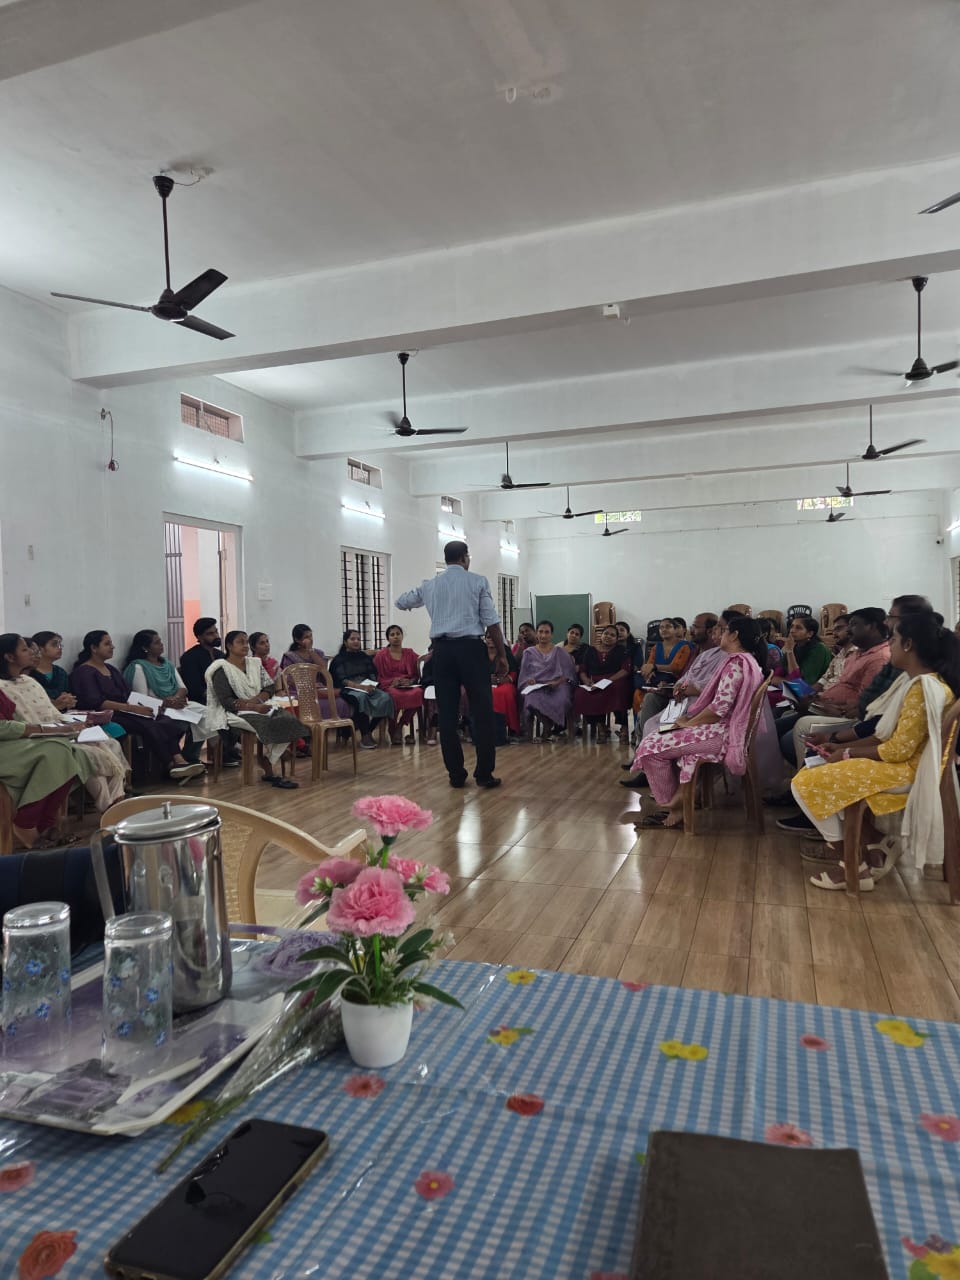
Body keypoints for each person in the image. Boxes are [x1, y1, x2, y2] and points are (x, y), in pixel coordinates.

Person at [791, 613, 959, 891]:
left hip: (909, 771)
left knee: (804, 783)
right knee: (816, 769)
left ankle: (853, 866)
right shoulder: (920, 681)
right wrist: (841, 747)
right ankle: (876, 842)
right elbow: (886, 733)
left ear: (908, 645)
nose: (889, 645)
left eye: (893, 640)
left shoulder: (923, 687)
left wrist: (847, 755)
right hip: (908, 764)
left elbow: (898, 750)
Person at [628, 615, 768, 828]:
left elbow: (718, 710)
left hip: (722, 734)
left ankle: (672, 806)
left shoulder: (736, 664)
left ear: (735, 635)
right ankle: (679, 804)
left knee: (650, 747)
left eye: (725, 630)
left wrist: (689, 723)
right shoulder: (747, 660)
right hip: (726, 730)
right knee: (659, 734)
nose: (720, 634)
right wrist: (689, 720)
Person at [395, 540, 507, 789]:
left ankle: (456, 775)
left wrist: (425, 600)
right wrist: (501, 655)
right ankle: (484, 774)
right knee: (482, 712)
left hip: (442, 652)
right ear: (465, 558)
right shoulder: (478, 581)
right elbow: (491, 621)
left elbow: (401, 602)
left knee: (446, 714)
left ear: (446, 560)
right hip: (471, 650)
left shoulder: (430, 585)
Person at [0, 635, 126, 812]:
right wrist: (62, 728)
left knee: (108, 743)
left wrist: (76, 724)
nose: (31, 653)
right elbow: (19, 723)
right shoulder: (3, 687)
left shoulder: (29, 681)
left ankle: (117, 799)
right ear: (9, 657)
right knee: (86, 753)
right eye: (25, 649)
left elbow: (52, 713)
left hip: (57, 728)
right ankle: (107, 805)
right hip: (36, 737)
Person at [70, 630, 204, 781]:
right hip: (108, 714)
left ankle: (179, 760)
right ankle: (170, 764)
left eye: (111, 643)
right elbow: (97, 702)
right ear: (94, 648)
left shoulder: (111, 669)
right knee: (148, 724)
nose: (112, 647)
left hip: (126, 710)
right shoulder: (84, 672)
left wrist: (149, 706)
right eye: (107, 644)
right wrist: (132, 708)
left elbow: (128, 695)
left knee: (163, 719)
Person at [621, 612, 722, 786]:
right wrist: (659, 679)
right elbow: (686, 676)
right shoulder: (698, 651)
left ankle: (655, 770)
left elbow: (686, 674)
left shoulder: (691, 648)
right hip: (674, 692)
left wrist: (675, 685)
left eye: (695, 627)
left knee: (654, 719)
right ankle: (646, 764)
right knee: (648, 700)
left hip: (692, 702)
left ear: (710, 630)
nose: (691, 630)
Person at [782, 608, 891, 766]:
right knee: (784, 716)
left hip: (845, 715)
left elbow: (863, 706)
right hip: (825, 704)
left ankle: (805, 773)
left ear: (872, 627)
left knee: (795, 732)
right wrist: (812, 697)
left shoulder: (878, 658)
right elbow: (824, 681)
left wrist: (823, 704)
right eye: (791, 627)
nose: (792, 631)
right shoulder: (856, 654)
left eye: (853, 625)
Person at [205, 631, 303, 786]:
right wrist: (253, 707)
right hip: (233, 711)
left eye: (246, 642)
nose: (245, 645)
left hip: (258, 705)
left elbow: (269, 686)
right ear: (229, 646)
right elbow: (226, 701)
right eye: (240, 642)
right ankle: (271, 764)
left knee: (289, 720)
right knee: (266, 723)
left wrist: (257, 701)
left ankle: (269, 758)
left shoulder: (254, 664)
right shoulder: (221, 668)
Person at [0, 689, 94, 848]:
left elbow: (12, 718)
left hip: (8, 741)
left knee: (73, 752)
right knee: (56, 752)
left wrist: (57, 729)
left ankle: (46, 824)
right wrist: (49, 730)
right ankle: (26, 821)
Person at [329, 630, 395, 749]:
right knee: (361, 697)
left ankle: (368, 730)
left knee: (386, 698)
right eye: (352, 639)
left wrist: (372, 685)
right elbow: (342, 680)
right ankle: (364, 736)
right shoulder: (339, 659)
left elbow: (372, 673)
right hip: (348, 688)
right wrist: (360, 687)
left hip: (366, 686)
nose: (356, 641)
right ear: (345, 642)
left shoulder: (364, 656)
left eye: (358, 639)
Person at [572, 625, 631, 742]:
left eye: (612, 635)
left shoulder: (621, 650)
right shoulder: (591, 650)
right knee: (582, 693)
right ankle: (601, 727)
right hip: (594, 682)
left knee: (619, 689)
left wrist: (608, 680)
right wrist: (585, 680)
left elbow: (625, 669)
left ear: (616, 639)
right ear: (601, 635)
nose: (608, 636)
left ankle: (624, 728)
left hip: (614, 680)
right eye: (606, 633)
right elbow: (583, 669)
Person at [518, 621, 576, 737]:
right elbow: (525, 674)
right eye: (540, 632)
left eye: (547, 632)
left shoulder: (560, 652)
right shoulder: (529, 652)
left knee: (562, 698)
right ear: (536, 634)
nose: (543, 635)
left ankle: (550, 726)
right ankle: (547, 725)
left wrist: (557, 682)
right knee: (531, 698)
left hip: (558, 685)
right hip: (537, 686)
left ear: (551, 635)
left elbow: (568, 674)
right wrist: (531, 680)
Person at [281, 624, 352, 718]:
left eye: (311, 636)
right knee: (315, 704)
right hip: (300, 691)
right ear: (297, 640)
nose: (310, 639)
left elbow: (323, 669)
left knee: (340, 702)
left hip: (320, 690)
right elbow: (289, 679)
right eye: (306, 637)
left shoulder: (318, 653)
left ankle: (337, 726)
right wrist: (309, 684)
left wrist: (310, 651)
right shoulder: (290, 656)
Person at [374, 625, 424, 745]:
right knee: (394, 696)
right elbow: (376, 676)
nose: (396, 637)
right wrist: (392, 682)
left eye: (398, 634)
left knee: (419, 693)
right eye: (392, 635)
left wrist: (410, 681)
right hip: (389, 686)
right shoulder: (381, 655)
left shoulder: (409, 653)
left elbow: (418, 672)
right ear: (388, 639)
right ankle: (392, 728)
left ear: (402, 636)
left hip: (407, 686)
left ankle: (400, 725)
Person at [28, 632, 76, 711]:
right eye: (54, 645)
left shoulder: (60, 672)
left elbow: (67, 694)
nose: (60, 648)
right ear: (39, 648)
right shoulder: (29, 673)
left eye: (60, 645)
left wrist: (68, 700)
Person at [486, 631, 520, 738]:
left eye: (494, 637)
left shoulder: (505, 651)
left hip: (504, 682)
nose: (491, 639)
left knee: (506, 692)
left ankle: (512, 729)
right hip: (485, 683)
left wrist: (502, 680)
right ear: (485, 639)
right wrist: (486, 679)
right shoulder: (480, 651)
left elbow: (513, 672)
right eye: (489, 637)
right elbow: (475, 671)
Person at [780, 615, 832, 685]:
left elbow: (801, 683)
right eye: (791, 626)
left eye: (798, 628)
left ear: (810, 634)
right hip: (790, 687)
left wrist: (790, 651)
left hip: (813, 690)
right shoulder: (794, 645)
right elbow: (776, 676)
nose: (792, 631)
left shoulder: (819, 649)